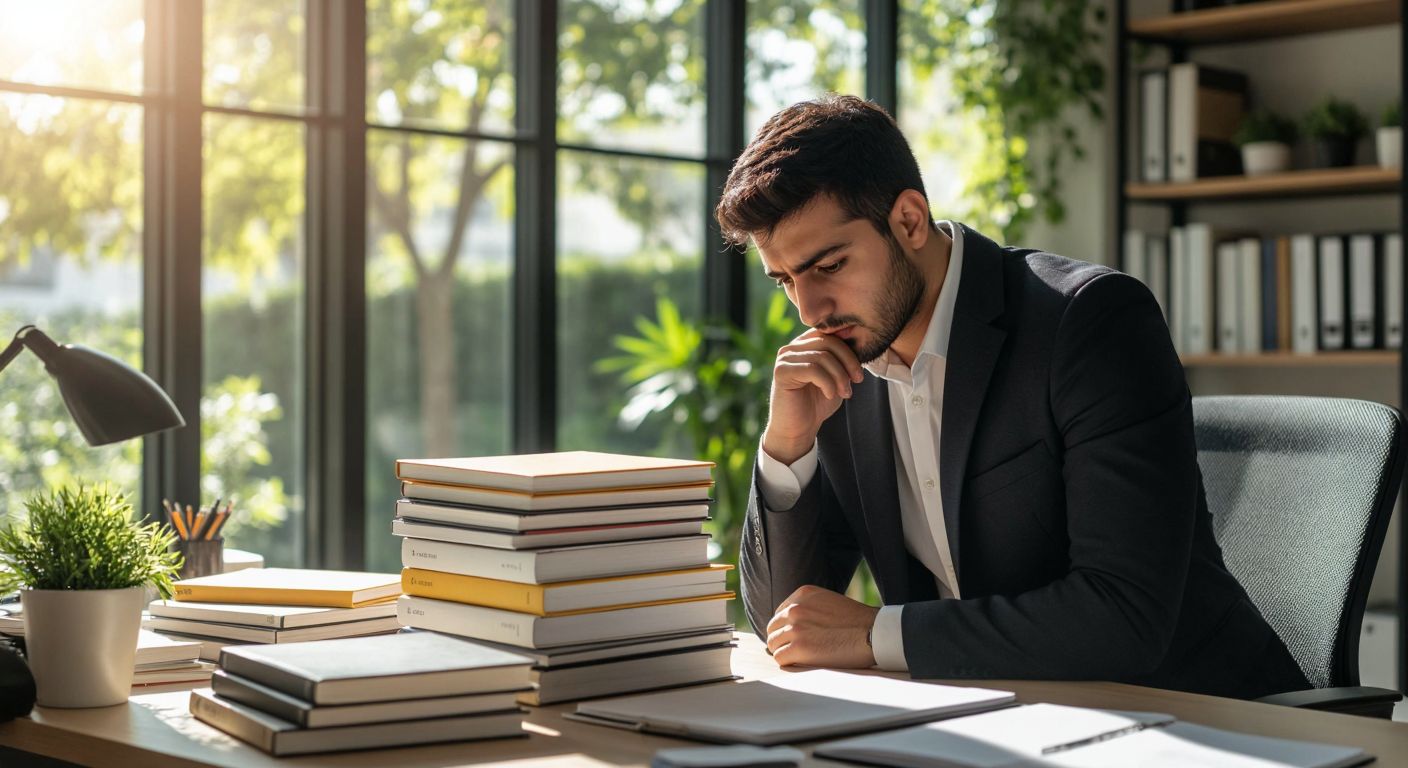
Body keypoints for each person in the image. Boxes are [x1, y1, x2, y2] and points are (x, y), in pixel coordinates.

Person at [717, 94, 1308, 699]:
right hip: (997, 724)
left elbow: (1124, 616)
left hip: (1206, 720)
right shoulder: (846, 363)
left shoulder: (1087, 322)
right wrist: (787, 447)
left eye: (830, 266)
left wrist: (878, 633)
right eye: (786, 280)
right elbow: (783, 625)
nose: (809, 310)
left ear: (909, 220)